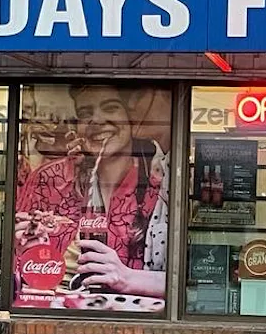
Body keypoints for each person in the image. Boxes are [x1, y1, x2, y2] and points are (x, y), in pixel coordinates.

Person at [14, 83, 167, 299]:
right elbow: (17, 272)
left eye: (111, 107)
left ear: (131, 119)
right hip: (55, 313)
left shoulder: (156, 186)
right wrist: (28, 251)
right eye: (85, 113)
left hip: (132, 319)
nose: (96, 120)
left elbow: (181, 284)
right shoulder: (49, 179)